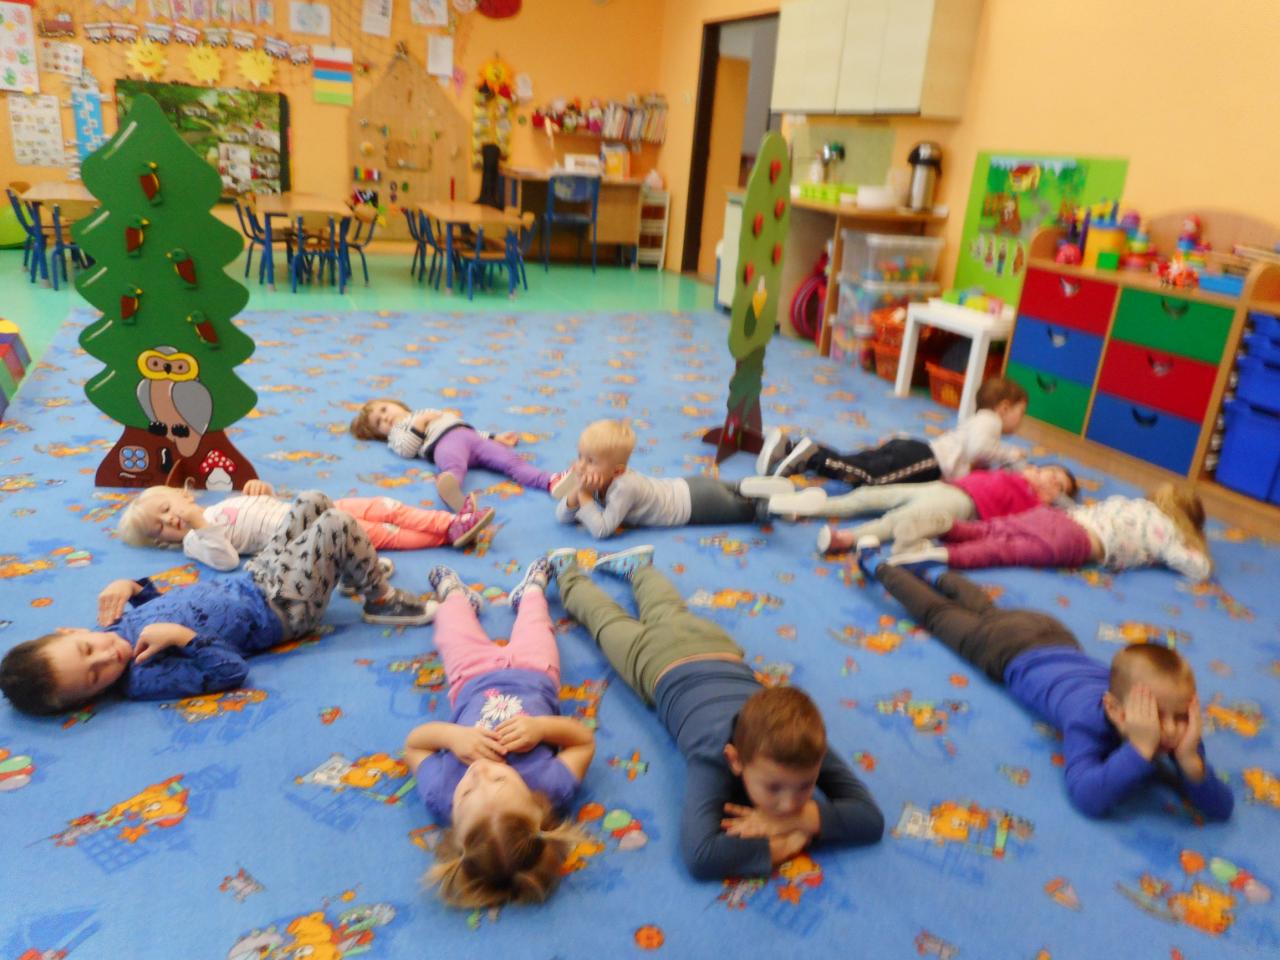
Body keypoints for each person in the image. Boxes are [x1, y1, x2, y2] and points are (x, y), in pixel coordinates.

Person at [547, 543, 883, 879]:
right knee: (606, 619)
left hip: (715, 646)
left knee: (666, 609)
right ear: (734, 759)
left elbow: (872, 819)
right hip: (653, 659)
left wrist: (800, 820)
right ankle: (568, 571)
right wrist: (790, 842)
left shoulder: (804, 742)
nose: (788, 805)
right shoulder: (713, 755)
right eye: (774, 789)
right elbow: (701, 855)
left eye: (805, 786)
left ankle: (640, 568)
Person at [860, 556, 1233, 820]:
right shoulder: (1088, 720)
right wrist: (1138, 749)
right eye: (1155, 715)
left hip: (1053, 634)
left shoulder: (1178, 734)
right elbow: (1087, 796)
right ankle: (880, 566)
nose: (1172, 730)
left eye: (1182, 716)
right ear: (1114, 710)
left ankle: (938, 572)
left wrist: (1190, 761)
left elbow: (1221, 809)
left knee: (989, 611)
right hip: (1005, 650)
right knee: (938, 615)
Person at [0, 492, 433, 716]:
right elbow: (230, 671)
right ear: (91, 697)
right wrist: (183, 638)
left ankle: (352, 568)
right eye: (95, 677)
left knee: (314, 502)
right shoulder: (143, 679)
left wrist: (131, 586)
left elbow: (164, 607)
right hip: (282, 608)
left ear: (70, 631)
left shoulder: (110, 630)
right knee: (336, 524)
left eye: (86, 649)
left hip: (255, 577)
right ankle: (380, 599)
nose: (105, 657)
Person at [403, 559, 595, 909]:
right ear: (535, 807)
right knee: (536, 621)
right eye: (500, 781)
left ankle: (454, 593)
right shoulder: (549, 786)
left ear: (455, 827)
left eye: (467, 794)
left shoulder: (440, 792)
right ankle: (532, 589)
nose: (479, 774)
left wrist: (452, 737)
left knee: (451, 625)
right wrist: (541, 728)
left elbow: (415, 746)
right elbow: (583, 741)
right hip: (536, 672)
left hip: (470, 676)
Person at [117, 478, 495, 572]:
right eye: (158, 528)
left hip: (308, 508)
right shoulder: (194, 540)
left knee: (384, 506)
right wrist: (197, 524)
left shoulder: (218, 505)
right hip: (310, 534)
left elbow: (266, 507)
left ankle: (452, 521)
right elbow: (227, 559)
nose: (168, 521)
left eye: (165, 509)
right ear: (162, 542)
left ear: (181, 495)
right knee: (382, 534)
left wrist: (261, 489)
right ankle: (447, 536)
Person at [883, 484, 1212, 581]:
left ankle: (949, 527)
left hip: (1058, 517)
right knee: (1005, 550)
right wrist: (1195, 551)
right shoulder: (1167, 532)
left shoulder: (1134, 504)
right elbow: (1195, 569)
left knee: (993, 529)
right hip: (1077, 541)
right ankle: (936, 555)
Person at [750, 376, 1027, 489]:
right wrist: (1011, 454)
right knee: (867, 476)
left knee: (855, 461)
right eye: (1021, 412)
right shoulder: (990, 421)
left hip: (917, 451)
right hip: (927, 462)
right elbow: (978, 449)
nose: (1021, 420)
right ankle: (811, 457)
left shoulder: (979, 421)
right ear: (1004, 407)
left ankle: (790, 447)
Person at [760, 464, 1076, 555]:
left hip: (963, 504)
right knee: (872, 496)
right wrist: (1029, 473)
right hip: (943, 487)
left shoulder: (1034, 505)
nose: (1051, 479)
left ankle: (847, 538)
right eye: (1052, 472)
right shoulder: (1015, 475)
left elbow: (1065, 514)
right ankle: (811, 508)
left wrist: (1052, 498)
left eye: (1058, 485)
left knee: (899, 518)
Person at [555, 419, 789, 539]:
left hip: (695, 505)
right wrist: (576, 493)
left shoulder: (624, 487)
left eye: (590, 461)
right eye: (580, 456)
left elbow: (602, 530)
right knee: (734, 492)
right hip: (689, 486)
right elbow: (562, 517)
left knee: (749, 512)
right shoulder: (598, 479)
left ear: (617, 471)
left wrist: (584, 495)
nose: (581, 465)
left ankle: (777, 506)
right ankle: (746, 486)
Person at [350, 398, 574, 511]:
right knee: (454, 467)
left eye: (384, 410)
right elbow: (406, 449)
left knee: (510, 461)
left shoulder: (424, 411)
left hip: (470, 437)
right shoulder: (397, 433)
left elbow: (463, 426)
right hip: (443, 444)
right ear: (381, 434)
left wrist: (495, 437)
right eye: (379, 423)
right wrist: (419, 424)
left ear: (395, 403)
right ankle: (452, 492)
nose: (385, 418)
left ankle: (550, 481)